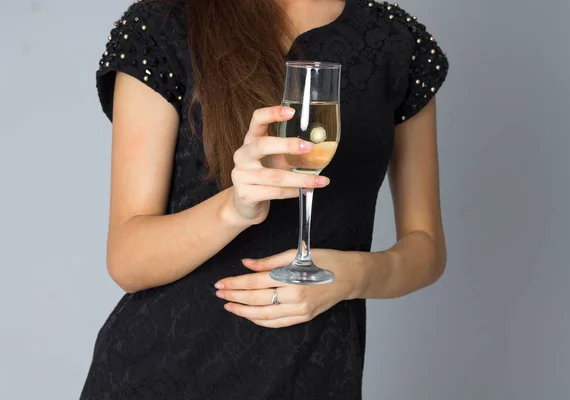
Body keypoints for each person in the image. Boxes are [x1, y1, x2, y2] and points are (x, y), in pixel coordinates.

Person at [80, 0, 449, 398]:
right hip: (164, 374)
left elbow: (426, 248)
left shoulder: (396, 40)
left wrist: (352, 276)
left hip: (318, 372)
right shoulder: (163, 24)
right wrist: (234, 207)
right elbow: (127, 258)